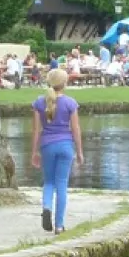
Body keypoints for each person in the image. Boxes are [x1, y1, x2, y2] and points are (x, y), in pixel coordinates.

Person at [31, 69, 84, 234]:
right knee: (62, 184)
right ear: (65, 83)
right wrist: (80, 151)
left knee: (49, 182)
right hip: (66, 146)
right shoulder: (70, 103)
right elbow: (75, 129)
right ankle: (59, 226)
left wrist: (34, 152)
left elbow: (36, 130)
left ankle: (46, 207)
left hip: (47, 145)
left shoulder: (39, 103)